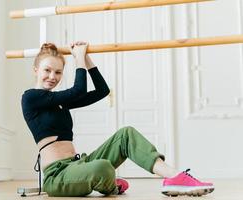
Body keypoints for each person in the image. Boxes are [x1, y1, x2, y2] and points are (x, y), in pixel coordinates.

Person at [21, 41, 214, 197]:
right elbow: (78, 90)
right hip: (58, 176)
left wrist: (87, 59)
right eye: (47, 70)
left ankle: (175, 177)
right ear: (35, 69)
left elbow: (102, 91)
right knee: (103, 167)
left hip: (77, 165)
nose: (52, 76)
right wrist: (78, 57)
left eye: (58, 72)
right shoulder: (30, 98)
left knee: (126, 134)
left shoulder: (59, 102)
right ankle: (108, 183)